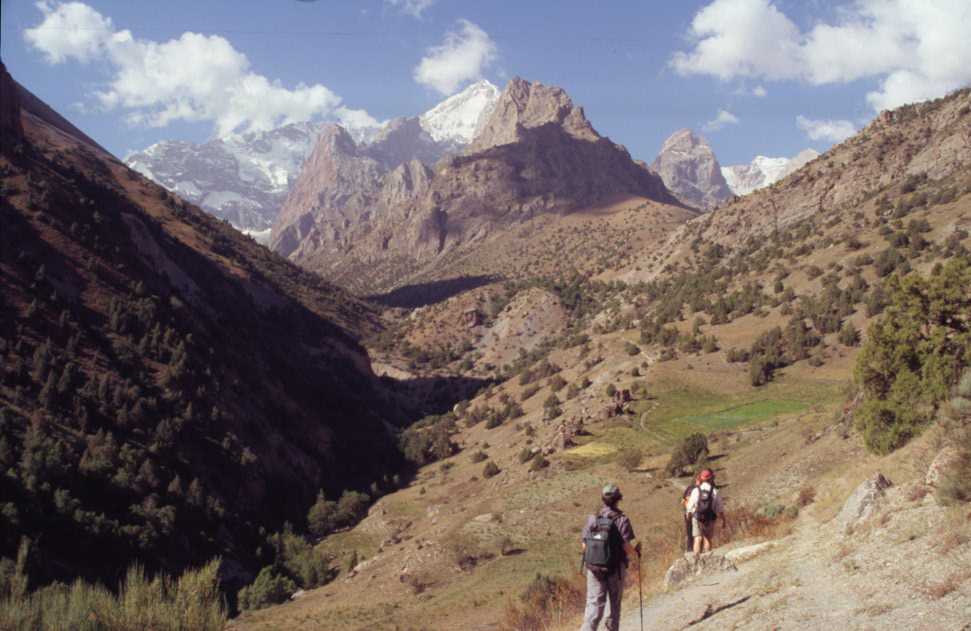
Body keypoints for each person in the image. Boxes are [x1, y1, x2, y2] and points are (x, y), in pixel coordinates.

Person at [580, 483, 641, 631]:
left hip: (594, 569)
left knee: (593, 606)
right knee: (613, 606)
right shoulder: (622, 520)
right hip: (615, 569)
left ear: (602, 499)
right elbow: (625, 547)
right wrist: (636, 553)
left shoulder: (592, 518)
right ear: (618, 499)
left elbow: (584, 546)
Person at [685, 469, 724, 555]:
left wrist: (689, 516)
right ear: (711, 479)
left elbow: (690, 506)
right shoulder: (714, 491)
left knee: (698, 538)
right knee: (707, 538)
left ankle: (696, 560)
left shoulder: (696, 490)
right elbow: (720, 508)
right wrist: (723, 520)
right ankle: (707, 559)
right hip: (710, 517)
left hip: (697, 517)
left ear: (701, 478)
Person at [681, 471, 702, 552]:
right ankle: (692, 550)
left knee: (691, 533)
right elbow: (683, 501)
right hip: (695, 513)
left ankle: (691, 550)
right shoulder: (695, 488)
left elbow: (682, 501)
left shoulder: (690, 488)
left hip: (690, 513)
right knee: (695, 533)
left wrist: (688, 506)